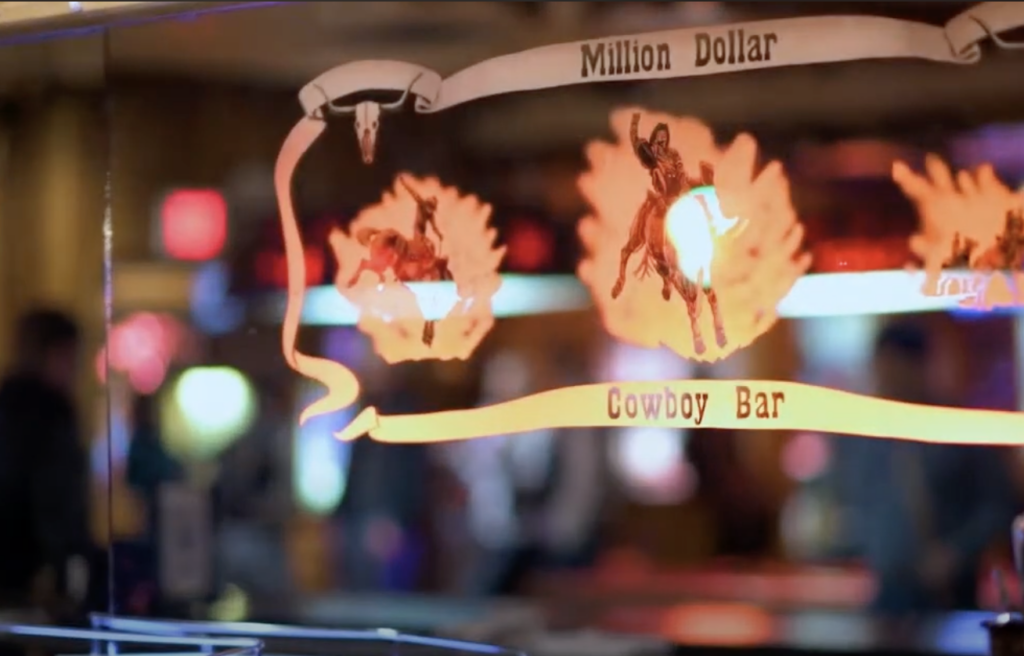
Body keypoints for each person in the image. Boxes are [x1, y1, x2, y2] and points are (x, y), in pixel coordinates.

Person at [832, 318, 1016, 614]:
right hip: (886, 592)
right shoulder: (860, 437)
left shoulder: (959, 428)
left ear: (920, 367)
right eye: (882, 366)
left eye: (897, 367)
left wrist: (955, 554)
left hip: (950, 592)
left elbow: (998, 506)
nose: (888, 377)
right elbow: (852, 501)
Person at [0, 308, 101, 616]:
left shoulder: (6, 401)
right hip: (32, 570)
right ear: (56, 352)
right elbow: (56, 498)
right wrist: (67, 563)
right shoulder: (51, 411)